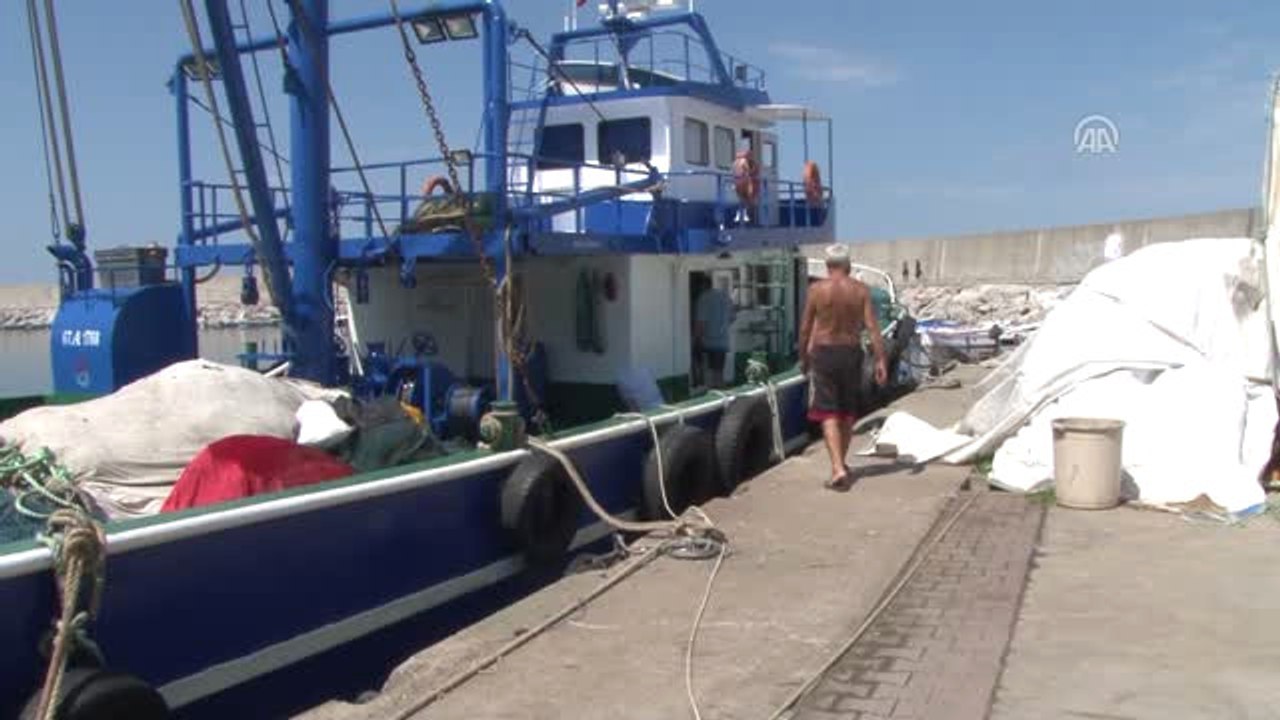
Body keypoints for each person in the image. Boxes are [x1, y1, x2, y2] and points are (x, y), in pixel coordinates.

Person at [799, 244, 888, 490]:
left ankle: (837, 468)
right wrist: (880, 359)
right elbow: (872, 327)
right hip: (850, 352)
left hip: (824, 352)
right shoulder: (860, 290)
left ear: (828, 266)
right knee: (847, 410)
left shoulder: (817, 289)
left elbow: (806, 328)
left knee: (827, 411)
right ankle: (841, 464)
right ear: (848, 266)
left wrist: (803, 358)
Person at [694, 275, 735, 389]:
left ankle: (713, 399)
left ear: (702, 286)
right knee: (719, 374)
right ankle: (723, 399)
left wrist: (696, 340)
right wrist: (720, 326)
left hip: (709, 343)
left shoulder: (703, 298)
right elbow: (732, 318)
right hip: (723, 341)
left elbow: (700, 324)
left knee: (710, 376)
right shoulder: (725, 296)